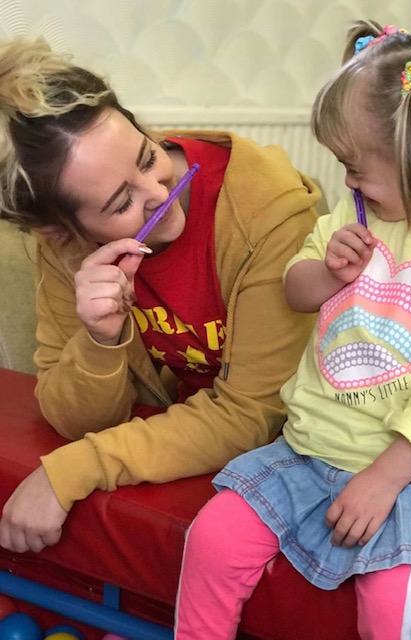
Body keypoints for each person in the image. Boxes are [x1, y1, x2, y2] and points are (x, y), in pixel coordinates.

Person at [173, 20, 411, 640]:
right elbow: (295, 292)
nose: (347, 181)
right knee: (211, 537)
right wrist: (327, 272)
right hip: (306, 453)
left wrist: (387, 476)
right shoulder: (354, 215)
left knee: (390, 610)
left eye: (356, 167)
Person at [0, 37, 321, 553]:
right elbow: (71, 417)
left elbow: (253, 416)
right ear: (61, 232)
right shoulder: (69, 250)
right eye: (122, 201)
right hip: (178, 447)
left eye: (147, 156)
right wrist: (101, 341)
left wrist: (80, 468)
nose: (158, 192)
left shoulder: (269, 211)